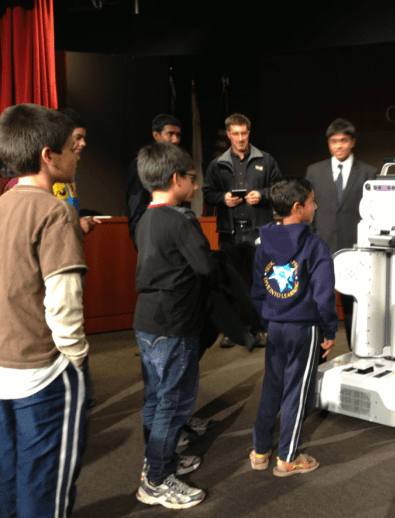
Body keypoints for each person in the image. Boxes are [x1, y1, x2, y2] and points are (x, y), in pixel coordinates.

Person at [0, 104, 89, 517]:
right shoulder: (55, 211)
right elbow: (63, 300)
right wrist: (75, 358)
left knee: (8, 473)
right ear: (47, 156)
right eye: (71, 147)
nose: (77, 154)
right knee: (44, 484)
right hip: (43, 371)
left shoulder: (2, 204)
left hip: (3, 366)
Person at [133, 142, 213, 509]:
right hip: (175, 323)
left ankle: (157, 461)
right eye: (192, 178)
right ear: (176, 178)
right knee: (174, 403)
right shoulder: (182, 220)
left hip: (147, 321)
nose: (195, 185)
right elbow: (206, 267)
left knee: (155, 397)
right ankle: (157, 480)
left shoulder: (145, 217)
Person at [249, 178, 337, 476]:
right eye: (312, 202)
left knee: (272, 387)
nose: (315, 206)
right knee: (297, 393)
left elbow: (257, 290)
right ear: (298, 207)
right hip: (304, 328)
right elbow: (324, 295)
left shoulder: (263, 242)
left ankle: (260, 450)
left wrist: (268, 321)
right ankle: (288, 458)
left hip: (275, 325)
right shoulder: (315, 245)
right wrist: (329, 331)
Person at [202, 113, 282, 345]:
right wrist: (223, 199)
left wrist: (263, 195)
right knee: (229, 283)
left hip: (259, 232)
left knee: (261, 282)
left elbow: (279, 188)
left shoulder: (266, 160)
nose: (240, 138)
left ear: (249, 132)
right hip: (230, 233)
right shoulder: (217, 164)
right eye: (235, 134)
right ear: (228, 134)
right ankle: (232, 331)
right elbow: (207, 193)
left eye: (244, 133)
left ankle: (259, 329)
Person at [305, 118, 377, 348]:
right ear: (328, 143)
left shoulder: (369, 173)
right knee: (318, 303)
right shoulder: (314, 171)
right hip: (321, 248)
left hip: (355, 250)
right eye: (334, 141)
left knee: (354, 305)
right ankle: (316, 354)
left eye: (344, 141)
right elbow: (308, 210)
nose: (339, 146)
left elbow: (374, 214)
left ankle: (358, 353)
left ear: (352, 142)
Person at [126, 114, 182, 245]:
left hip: (176, 235)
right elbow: (135, 209)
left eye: (178, 135)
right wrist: (143, 243)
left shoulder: (179, 165)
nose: (175, 140)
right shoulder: (140, 164)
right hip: (151, 237)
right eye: (170, 134)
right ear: (156, 135)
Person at [54, 109, 101, 235]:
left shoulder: (71, 170)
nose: (83, 143)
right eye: (78, 138)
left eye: (83, 138)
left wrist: (81, 221)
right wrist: (76, 225)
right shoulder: (45, 171)